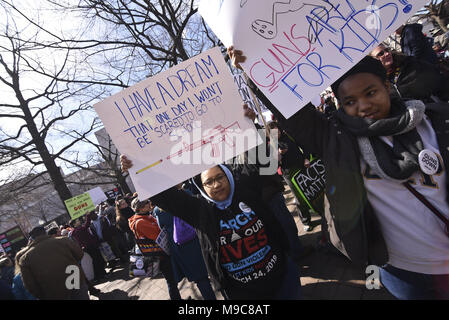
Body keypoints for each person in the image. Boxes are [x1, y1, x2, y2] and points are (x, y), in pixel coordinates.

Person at [229, 46, 449, 299]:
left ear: (387, 86)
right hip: (399, 269)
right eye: (350, 102)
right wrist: (254, 70)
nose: (364, 106)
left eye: (371, 92)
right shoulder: (337, 139)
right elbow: (292, 112)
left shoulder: (434, 123)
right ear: (340, 105)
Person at [121, 158, 301, 300]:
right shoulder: (199, 211)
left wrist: (251, 126)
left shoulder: (247, 193)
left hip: (283, 279)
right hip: (242, 293)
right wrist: (137, 170)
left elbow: (264, 163)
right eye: (209, 182)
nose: (216, 185)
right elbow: (164, 196)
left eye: (220, 177)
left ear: (229, 176)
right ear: (202, 187)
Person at [153, 205, 217, 300]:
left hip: (180, 246)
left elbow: (161, 226)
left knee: (200, 278)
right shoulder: (185, 194)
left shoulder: (158, 209)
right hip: (198, 238)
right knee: (216, 269)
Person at [128, 198, 182, 300]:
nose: (149, 204)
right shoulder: (140, 222)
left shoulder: (145, 217)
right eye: (146, 203)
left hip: (159, 253)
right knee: (171, 280)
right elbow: (158, 234)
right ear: (140, 208)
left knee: (171, 279)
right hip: (159, 255)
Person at [16, 226, 90, 300]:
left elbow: (29, 284)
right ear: (45, 232)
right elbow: (79, 254)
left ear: (32, 238)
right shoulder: (64, 241)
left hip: (53, 292)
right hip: (75, 281)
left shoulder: (25, 259)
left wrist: (43, 295)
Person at [369, 43, 445, 102]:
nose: (387, 53)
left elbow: (435, 77)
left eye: (387, 50)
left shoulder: (409, 63)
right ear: (372, 61)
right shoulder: (378, 82)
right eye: (380, 54)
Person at [70, 215, 107, 282]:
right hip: (90, 246)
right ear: (74, 224)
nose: (79, 221)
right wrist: (88, 216)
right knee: (97, 260)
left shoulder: (75, 231)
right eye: (77, 221)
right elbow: (86, 225)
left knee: (97, 259)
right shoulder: (77, 230)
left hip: (89, 246)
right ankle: (100, 275)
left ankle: (102, 274)